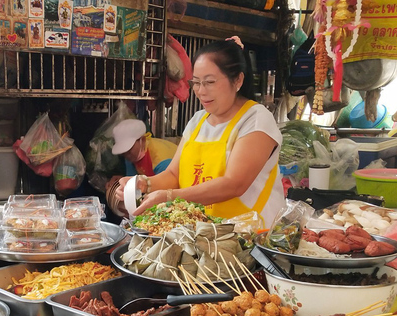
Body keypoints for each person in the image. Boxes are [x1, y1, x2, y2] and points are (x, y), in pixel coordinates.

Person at [116, 37, 285, 227]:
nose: (200, 91)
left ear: (238, 79)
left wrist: (170, 197)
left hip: (251, 238)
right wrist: (144, 184)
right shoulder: (198, 120)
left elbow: (234, 184)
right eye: (196, 82)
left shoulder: (255, 119)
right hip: (204, 235)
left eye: (209, 82)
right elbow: (173, 174)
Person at [111, 119, 177, 177]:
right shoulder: (132, 155)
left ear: (142, 140)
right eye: (123, 152)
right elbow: (131, 180)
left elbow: (167, 187)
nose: (126, 154)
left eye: (128, 149)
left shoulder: (161, 161)